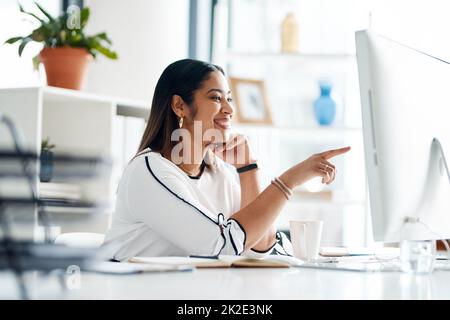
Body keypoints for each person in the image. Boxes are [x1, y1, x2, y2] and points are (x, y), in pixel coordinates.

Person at [103, 59, 350, 261]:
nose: (229, 110)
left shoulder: (216, 172)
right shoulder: (149, 170)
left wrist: (248, 168)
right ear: (180, 106)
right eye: (215, 98)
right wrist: (289, 180)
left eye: (229, 98)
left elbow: (260, 245)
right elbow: (222, 245)